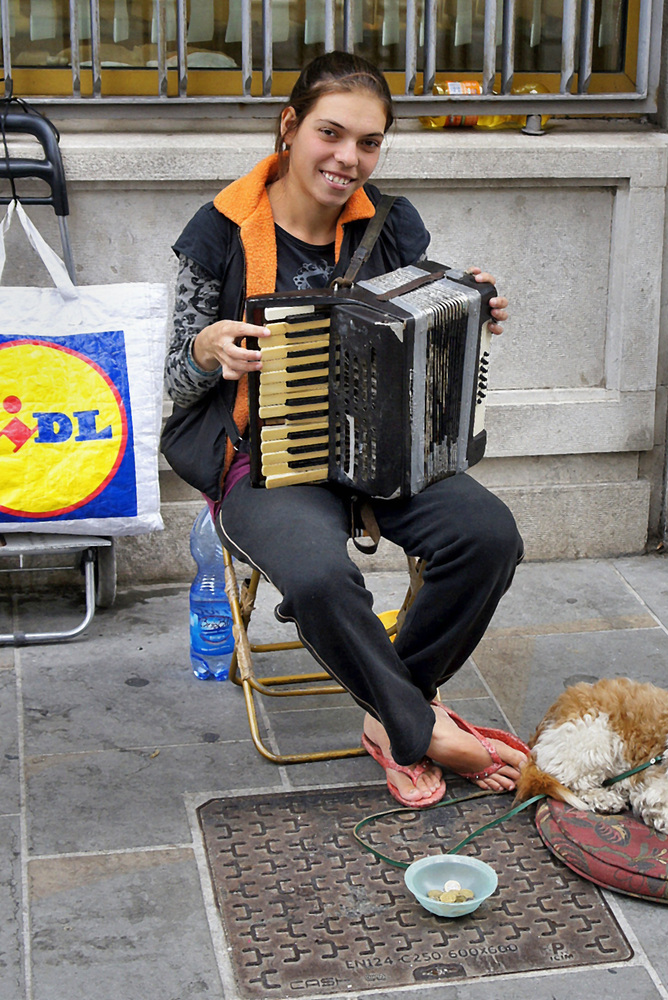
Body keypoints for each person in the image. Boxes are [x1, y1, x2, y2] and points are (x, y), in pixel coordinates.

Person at [161, 51, 528, 808]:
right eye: (332, 133)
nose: (348, 158)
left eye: (368, 142)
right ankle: (420, 727)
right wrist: (208, 351)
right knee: (322, 578)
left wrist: (471, 303)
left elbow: (424, 321)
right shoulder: (219, 231)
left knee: (487, 537)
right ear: (290, 126)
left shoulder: (392, 225)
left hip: (385, 457)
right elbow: (173, 377)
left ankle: (393, 711)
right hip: (264, 463)